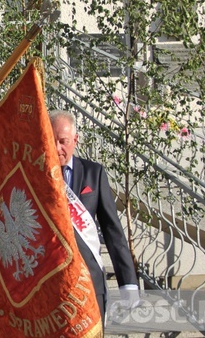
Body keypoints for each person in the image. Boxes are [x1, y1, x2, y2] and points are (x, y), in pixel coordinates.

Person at [49, 109, 139, 324]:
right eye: (51, 140)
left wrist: (128, 282)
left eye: (63, 141)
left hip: (88, 282)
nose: (57, 148)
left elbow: (112, 230)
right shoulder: (34, 175)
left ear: (75, 140)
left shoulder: (93, 173)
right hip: (49, 285)